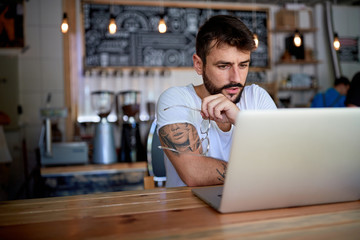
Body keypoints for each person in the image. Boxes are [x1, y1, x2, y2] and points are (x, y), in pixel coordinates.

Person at [156, 15, 277, 188]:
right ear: (199, 65)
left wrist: (240, 120)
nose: (236, 78)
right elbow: (194, 174)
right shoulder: (175, 99)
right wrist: (261, 171)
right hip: (188, 211)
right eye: (224, 66)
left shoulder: (257, 98)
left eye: (243, 65)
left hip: (248, 206)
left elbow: (282, 159)